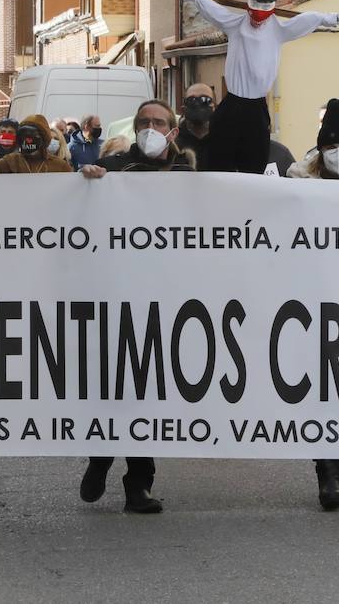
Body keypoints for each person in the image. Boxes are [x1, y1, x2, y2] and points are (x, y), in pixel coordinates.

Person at [76, 100, 195, 514]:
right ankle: (100, 458)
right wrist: (88, 178)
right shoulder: (114, 168)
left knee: (148, 395)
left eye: (157, 122)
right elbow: (79, 208)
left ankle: (138, 485)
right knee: (114, 389)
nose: (149, 127)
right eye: (143, 121)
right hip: (115, 294)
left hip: (165, 298)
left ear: (172, 131)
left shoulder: (188, 174)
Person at [285, 98, 339, 509]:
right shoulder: (294, 186)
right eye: (331, 147)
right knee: (322, 390)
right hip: (310, 304)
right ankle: (326, 471)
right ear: (319, 152)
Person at [182, 0, 339, 173]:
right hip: (232, 103)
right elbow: (215, 11)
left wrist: (326, 19)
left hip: (256, 107)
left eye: (263, 11)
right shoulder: (235, 25)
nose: (257, 17)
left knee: (254, 162)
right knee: (220, 160)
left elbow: (305, 20)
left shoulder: (278, 31)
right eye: (254, 9)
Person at [0, 115, 71, 174]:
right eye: (24, 135)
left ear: (43, 139)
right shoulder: (12, 160)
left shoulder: (59, 166)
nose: (28, 140)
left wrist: (86, 173)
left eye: (32, 136)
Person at [175, 84, 216, 166]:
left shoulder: (228, 141)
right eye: (191, 100)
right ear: (183, 108)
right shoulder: (173, 143)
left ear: (214, 106)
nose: (197, 104)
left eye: (205, 100)